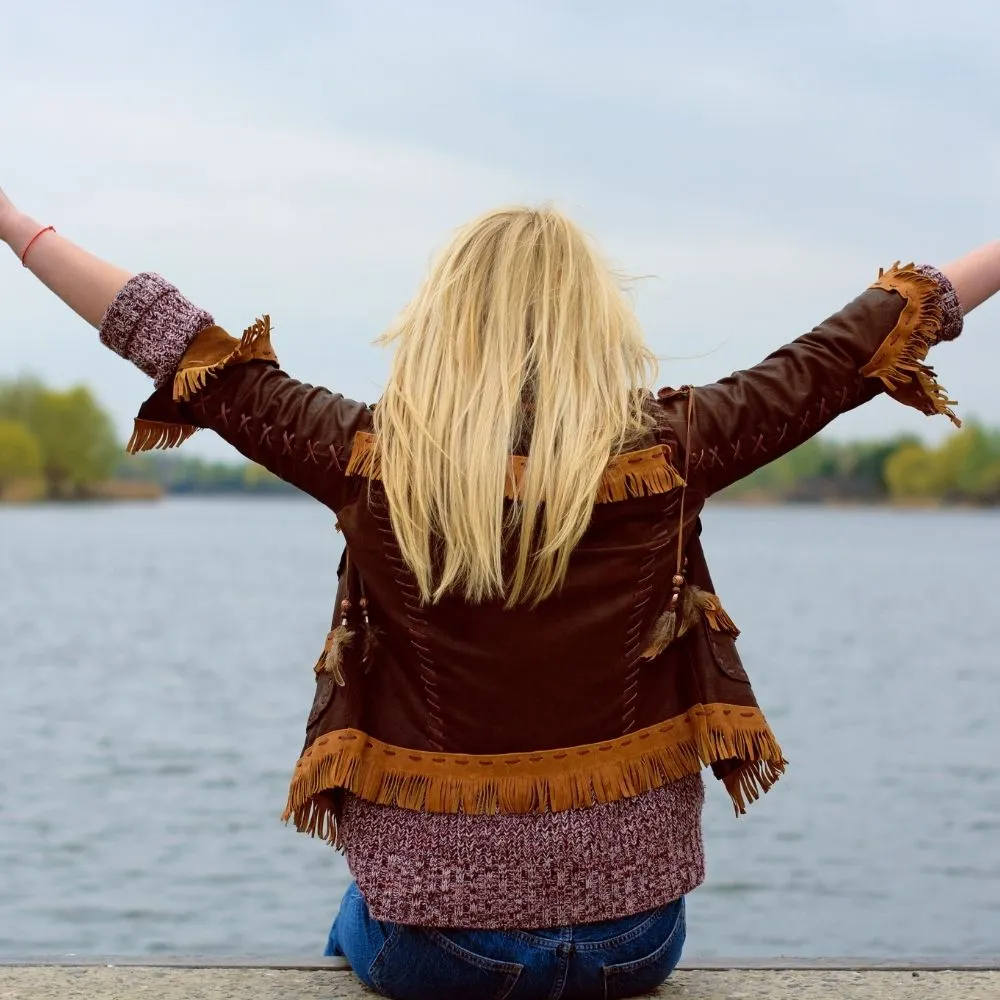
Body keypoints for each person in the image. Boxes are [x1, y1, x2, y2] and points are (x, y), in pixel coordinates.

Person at [2, 187, 998, 1000]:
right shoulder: (676, 446)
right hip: (635, 940)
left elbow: (174, 341)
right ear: (593, 321)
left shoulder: (365, 456)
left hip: (437, 952)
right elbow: (861, 342)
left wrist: (18, 224)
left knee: (353, 927)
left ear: (443, 320)